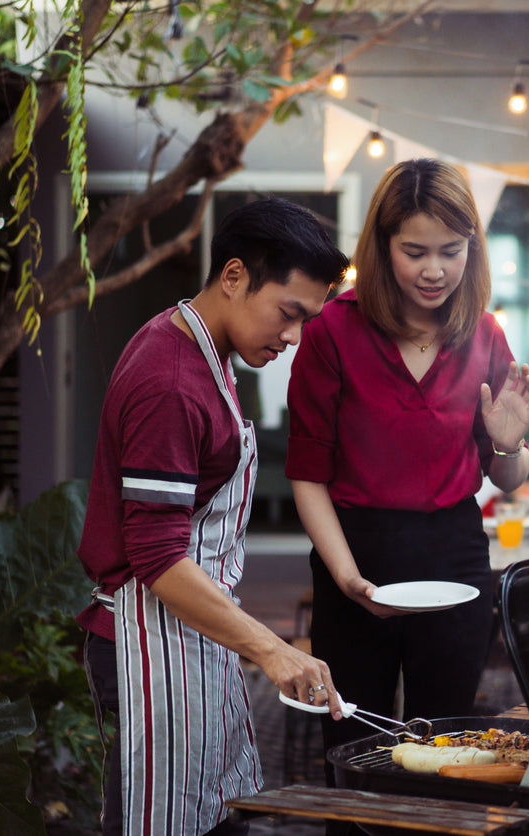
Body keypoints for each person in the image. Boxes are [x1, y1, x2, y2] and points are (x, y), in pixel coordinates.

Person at [76, 198, 350, 836]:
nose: (292, 337)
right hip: (144, 644)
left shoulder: (203, 352)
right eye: (289, 313)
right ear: (233, 277)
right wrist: (275, 651)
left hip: (190, 635)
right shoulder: (170, 380)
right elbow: (157, 557)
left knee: (213, 816)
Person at [285, 159, 529, 799]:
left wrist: (508, 445)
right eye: (414, 251)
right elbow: (308, 474)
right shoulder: (332, 330)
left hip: (454, 551)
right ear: (381, 247)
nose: (434, 270)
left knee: (447, 754)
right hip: (356, 550)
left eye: (451, 252)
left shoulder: (483, 334)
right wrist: (345, 578)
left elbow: (504, 476)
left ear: (471, 249)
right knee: (354, 753)